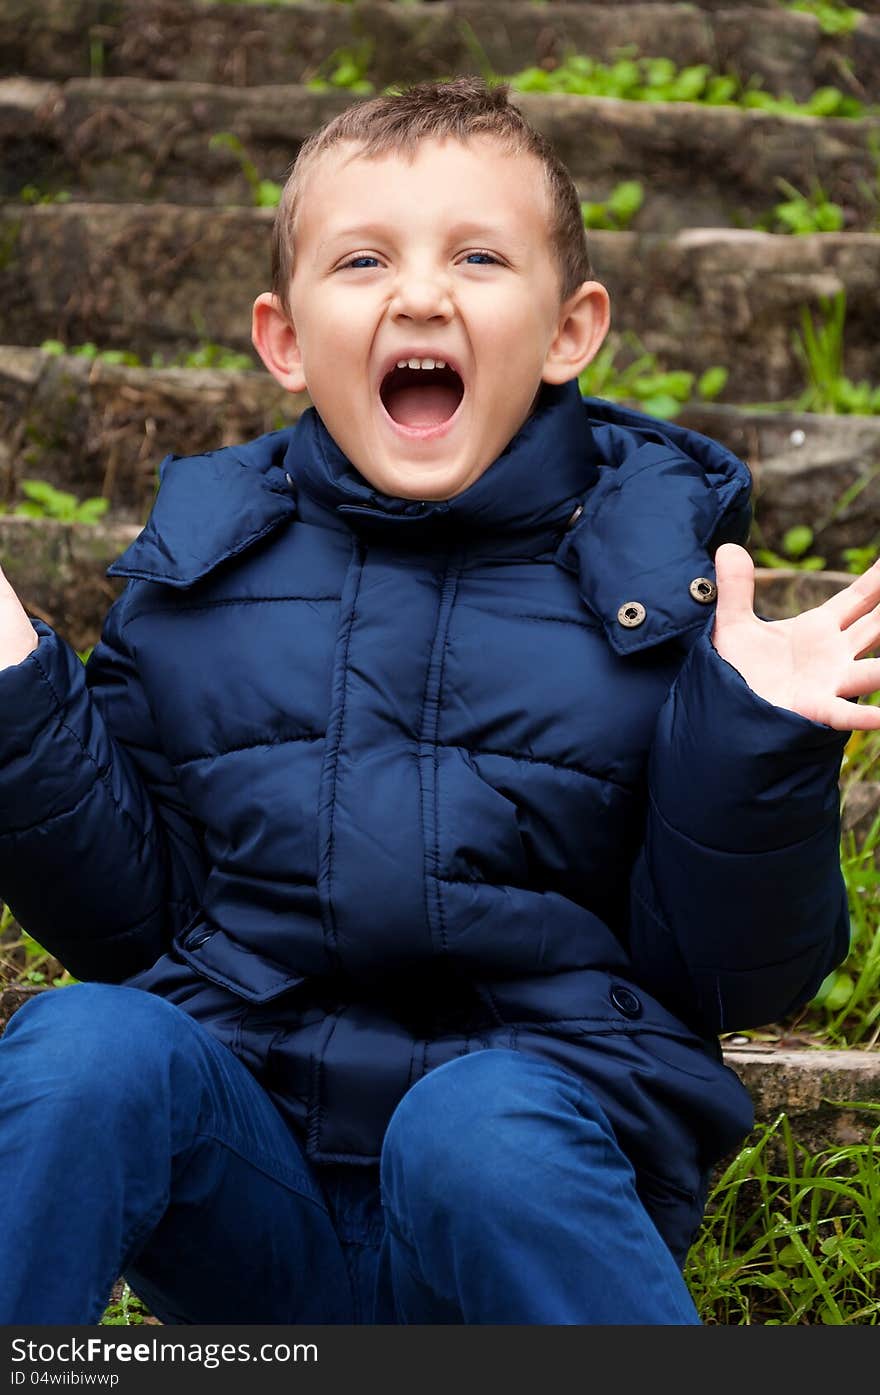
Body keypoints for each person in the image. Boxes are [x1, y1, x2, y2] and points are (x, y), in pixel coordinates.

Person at [0, 77, 874, 1327]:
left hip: (523, 1191)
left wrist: (752, 744)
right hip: (254, 1205)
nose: (420, 294)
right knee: (84, 1045)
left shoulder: (654, 593)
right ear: (284, 337)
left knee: (474, 1125)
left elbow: (742, 976)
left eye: (476, 254)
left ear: (570, 330)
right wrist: (18, 701)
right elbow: (128, 927)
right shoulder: (196, 580)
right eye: (362, 260)